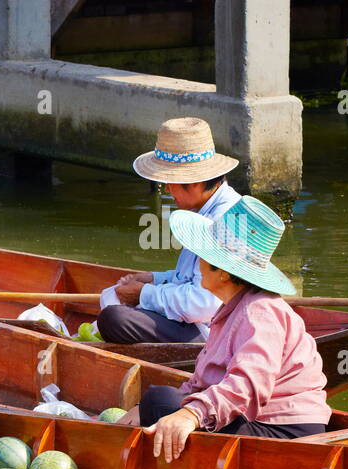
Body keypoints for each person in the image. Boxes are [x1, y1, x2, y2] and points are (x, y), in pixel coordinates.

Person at [130, 195, 330, 462]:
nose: (197, 263)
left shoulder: (259, 310)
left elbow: (248, 384)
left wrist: (192, 413)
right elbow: (204, 380)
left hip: (282, 430)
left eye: (203, 255)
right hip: (258, 417)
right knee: (159, 399)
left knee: (161, 403)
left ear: (222, 272)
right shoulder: (234, 306)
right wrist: (144, 407)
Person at [98, 117, 242, 344]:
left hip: (215, 332)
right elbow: (189, 278)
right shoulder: (204, 211)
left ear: (193, 182)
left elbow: (202, 304)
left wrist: (143, 294)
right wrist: (153, 279)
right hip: (202, 319)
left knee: (115, 319)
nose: (167, 189)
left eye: (170, 181)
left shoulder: (221, 221)